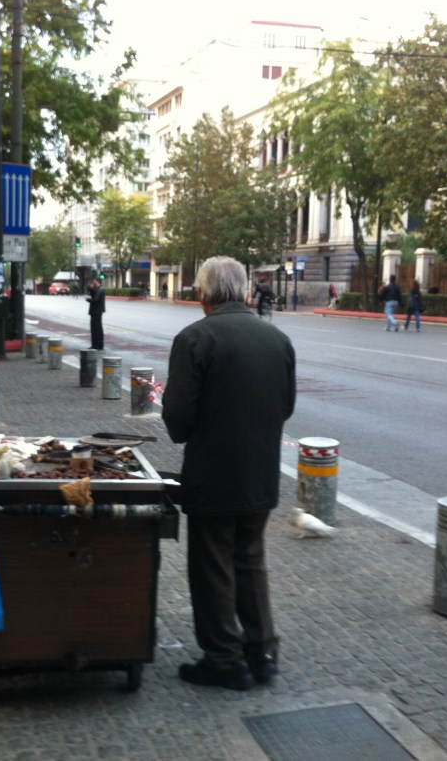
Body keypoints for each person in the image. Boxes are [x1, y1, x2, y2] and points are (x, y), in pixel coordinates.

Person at [162, 256, 296, 691]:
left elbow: (179, 419)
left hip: (213, 473)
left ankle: (224, 659)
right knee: (250, 560)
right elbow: (286, 407)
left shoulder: (194, 338)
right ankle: (263, 652)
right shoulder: (277, 338)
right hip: (260, 472)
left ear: (203, 295)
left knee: (213, 564)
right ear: (243, 292)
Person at [86, 276, 106, 350]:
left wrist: (88, 300)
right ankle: (99, 344)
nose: (92, 283)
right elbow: (93, 294)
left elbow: (96, 300)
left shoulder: (100, 289)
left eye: (93, 281)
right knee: (98, 328)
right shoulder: (98, 289)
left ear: (97, 281)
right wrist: (91, 289)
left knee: (95, 328)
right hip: (98, 311)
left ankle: (96, 345)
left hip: (96, 311)